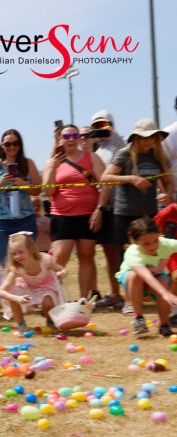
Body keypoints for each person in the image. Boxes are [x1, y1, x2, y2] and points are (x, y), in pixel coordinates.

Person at [43, 124, 106, 300]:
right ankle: (51, 297)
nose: (70, 140)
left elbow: (105, 185)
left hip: (88, 214)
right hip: (62, 215)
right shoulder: (52, 161)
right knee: (59, 258)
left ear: (79, 138)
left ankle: (83, 299)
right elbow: (47, 192)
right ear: (60, 139)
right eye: (66, 136)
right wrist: (53, 167)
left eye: (74, 136)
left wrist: (99, 210)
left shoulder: (92, 157)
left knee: (86, 257)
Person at [99, 119, 174, 243]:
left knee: (151, 254)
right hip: (125, 214)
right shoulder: (125, 154)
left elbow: (169, 182)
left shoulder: (158, 155)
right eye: (145, 137)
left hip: (150, 214)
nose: (149, 141)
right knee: (127, 257)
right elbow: (105, 178)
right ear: (136, 138)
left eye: (153, 137)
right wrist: (132, 179)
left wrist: (167, 193)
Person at [0, 129, 43, 265]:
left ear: (20, 145)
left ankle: (27, 285)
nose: (11, 147)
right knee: (4, 260)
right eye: (7, 144)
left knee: (28, 259)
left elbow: (37, 190)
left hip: (25, 218)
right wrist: (0, 183)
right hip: (0, 221)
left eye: (15, 143)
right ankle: (12, 285)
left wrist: (22, 183)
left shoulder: (28, 163)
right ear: (2, 146)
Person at [89, 111, 129, 310]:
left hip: (120, 205)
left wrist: (114, 134)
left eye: (104, 124)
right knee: (109, 253)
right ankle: (115, 293)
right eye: (96, 125)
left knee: (124, 253)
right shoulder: (97, 150)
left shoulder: (119, 145)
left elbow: (126, 150)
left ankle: (130, 294)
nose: (100, 128)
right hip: (103, 206)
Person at [117, 218, 177, 337]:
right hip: (132, 278)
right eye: (146, 244)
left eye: (155, 241)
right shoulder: (132, 252)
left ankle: (164, 324)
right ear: (135, 242)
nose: (153, 246)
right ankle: (138, 318)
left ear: (159, 234)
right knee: (136, 276)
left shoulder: (165, 243)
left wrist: (164, 291)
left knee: (163, 280)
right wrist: (165, 293)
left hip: (156, 275)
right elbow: (146, 276)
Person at [0, 232, 66, 330]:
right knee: (12, 294)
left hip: (45, 287)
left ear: (30, 249)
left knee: (47, 301)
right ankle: (21, 325)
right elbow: (1, 291)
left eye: (21, 252)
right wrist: (16, 298)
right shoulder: (17, 268)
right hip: (27, 288)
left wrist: (62, 273)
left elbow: (62, 269)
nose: (17, 256)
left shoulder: (44, 260)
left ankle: (50, 321)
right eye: (14, 254)